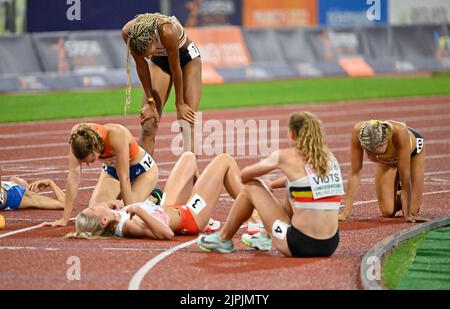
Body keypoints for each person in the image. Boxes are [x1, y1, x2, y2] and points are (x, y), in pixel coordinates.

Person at [197, 112, 344, 257]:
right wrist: (272, 184)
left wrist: (263, 186)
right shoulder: (328, 157)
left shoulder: (286, 155)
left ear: (293, 134)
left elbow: (245, 175)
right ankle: (265, 236)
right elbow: (303, 181)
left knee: (251, 187)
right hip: (330, 244)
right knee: (293, 188)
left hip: (301, 244)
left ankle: (223, 238)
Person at [66, 152, 241, 239]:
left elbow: (113, 211)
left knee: (188, 157)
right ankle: (255, 215)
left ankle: (202, 198)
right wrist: (138, 210)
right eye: (95, 209)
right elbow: (166, 234)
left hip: (170, 207)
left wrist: (113, 206)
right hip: (190, 217)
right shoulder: (128, 225)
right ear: (103, 221)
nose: (98, 205)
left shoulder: (115, 219)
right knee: (224, 161)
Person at [43, 123, 158, 227]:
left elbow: (124, 177)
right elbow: (73, 178)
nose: (87, 164)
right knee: (94, 216)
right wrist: (64, 219)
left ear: (96, 150)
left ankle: (153, 198)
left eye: (90, 160)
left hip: (142, 171)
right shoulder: (77, 139)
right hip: (112, 171)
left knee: (125, 214)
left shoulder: (117, 134)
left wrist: (128, 216)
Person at [122, 12, 202, 155]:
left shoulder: (167, 31)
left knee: (187, 123)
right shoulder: (129, 33)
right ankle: (144, 175)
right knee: (149, 124)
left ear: (153, 39)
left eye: (148, 52)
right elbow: (141, 66)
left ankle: (192, 176)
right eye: (144, 55)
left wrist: (180, 103)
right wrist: (150, 102)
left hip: (186, 60)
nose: (147, 57)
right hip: (160, 63)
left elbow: (176, 69)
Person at [339, 120, 427, 223]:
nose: (373, 155)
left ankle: (403, 195)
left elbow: (405, 175)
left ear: (386, 140)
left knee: (412, 210)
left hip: (414, 152)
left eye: (377, 152)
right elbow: (355, 173)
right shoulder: (358, 132)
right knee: (387, 212)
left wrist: (407, 215)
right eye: (370, 153)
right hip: (387, 160)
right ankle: (397, 192)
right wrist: (345, 213)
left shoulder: (399, 133)